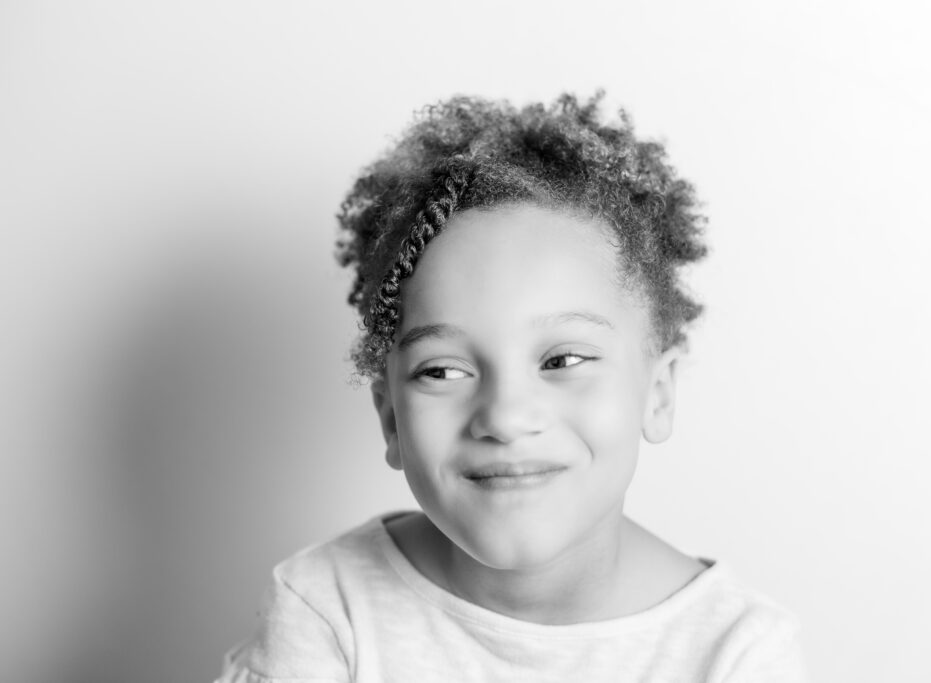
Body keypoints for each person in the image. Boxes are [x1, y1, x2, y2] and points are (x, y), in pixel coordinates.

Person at [216, 93, 805, 682]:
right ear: (390, 418)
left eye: (562, 360)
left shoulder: (738, 655)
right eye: (442, 371)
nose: (504, 415)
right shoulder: (327, 610)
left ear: (658, 394)